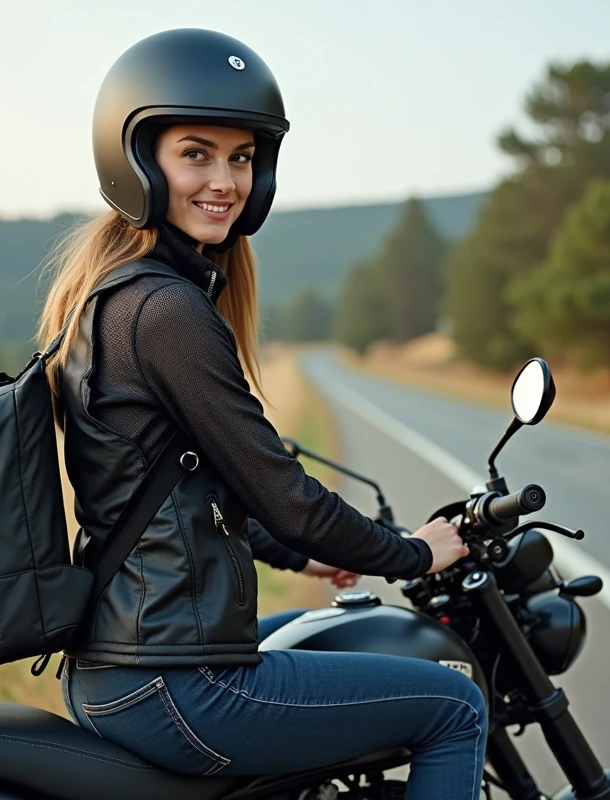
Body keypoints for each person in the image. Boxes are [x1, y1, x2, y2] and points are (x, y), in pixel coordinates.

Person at [37, 28, 486, 799]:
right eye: (196, 153)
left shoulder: (116, 294)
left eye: (242, 157)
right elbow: (284, 493)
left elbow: (184, 483)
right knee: (454, 704)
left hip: (132, 665)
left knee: (336, 641)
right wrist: (414, 552)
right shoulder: (165, 310)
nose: (224, 181)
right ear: (138, 162)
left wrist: (296, 559)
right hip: (173, 683)